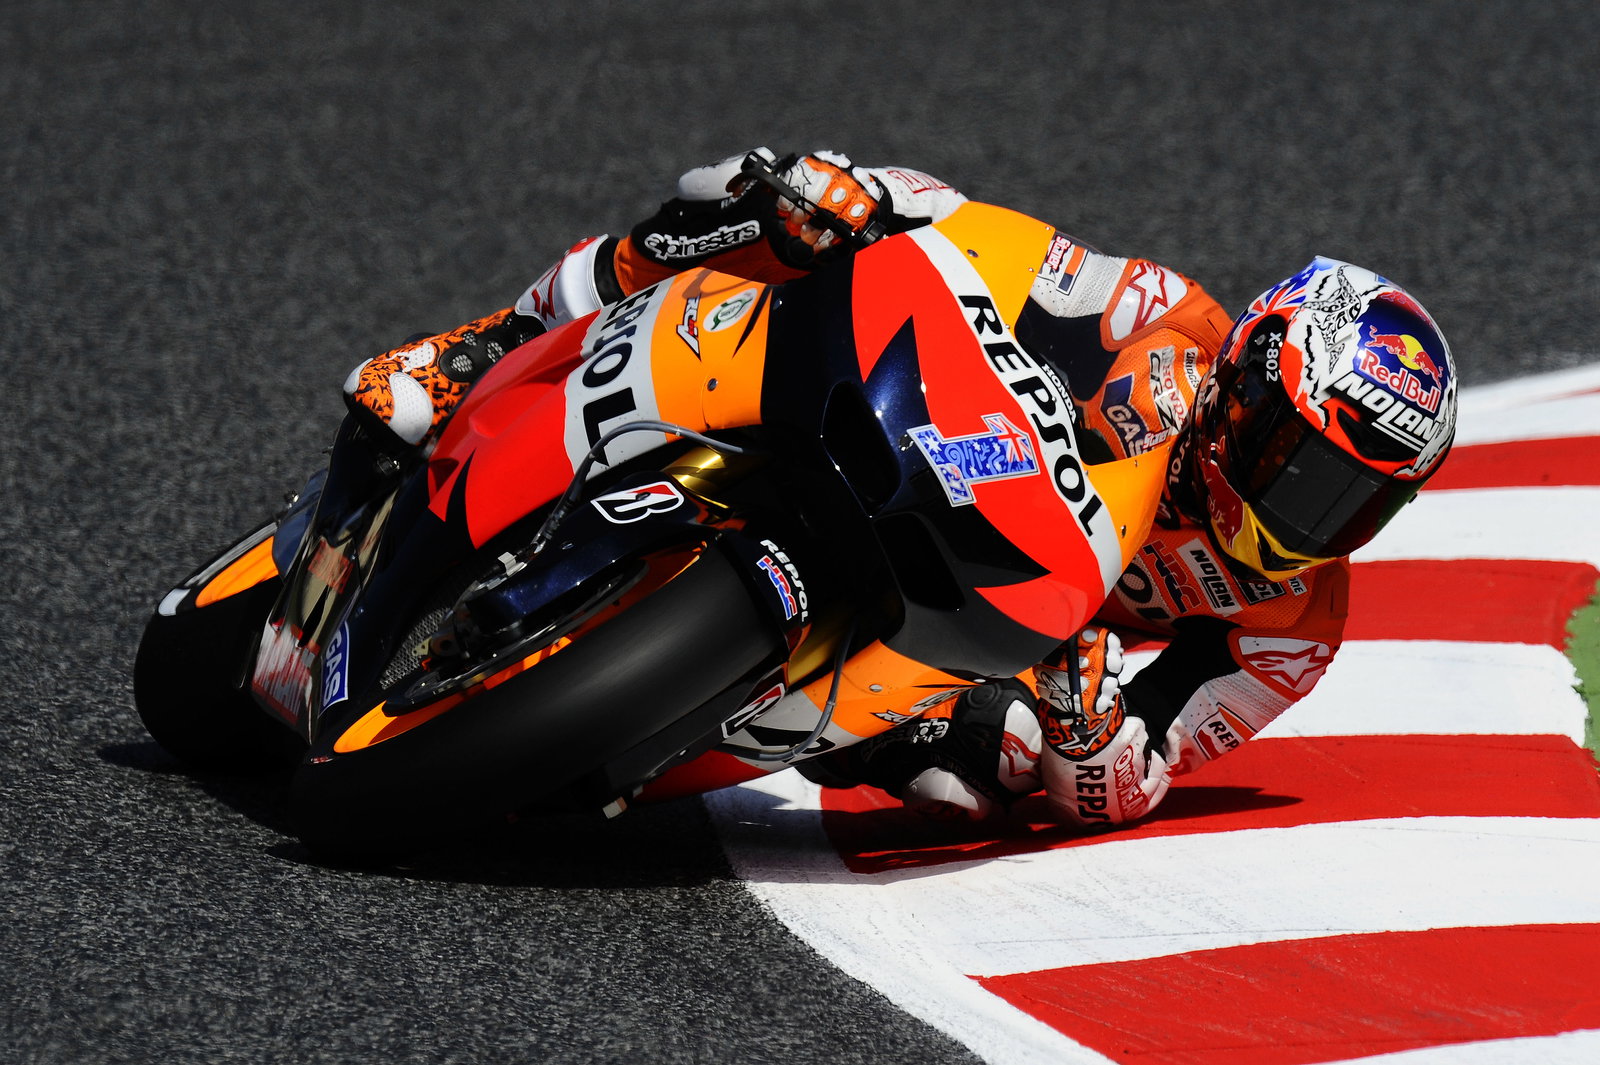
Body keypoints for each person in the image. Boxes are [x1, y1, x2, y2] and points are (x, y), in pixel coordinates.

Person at [343, 148, 1458, 830]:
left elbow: (1138, 779)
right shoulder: (1157, 316)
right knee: (778, 203)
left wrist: (1089, 728)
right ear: (1247, 388)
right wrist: (869, 199)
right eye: (1298, 463)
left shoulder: (1293, 628)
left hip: (992, 626)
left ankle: (678, 725)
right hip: (922, 430)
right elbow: (992, 243)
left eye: (1351, 502)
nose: (1307, 515)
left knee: (992, 769)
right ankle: (488, 345)